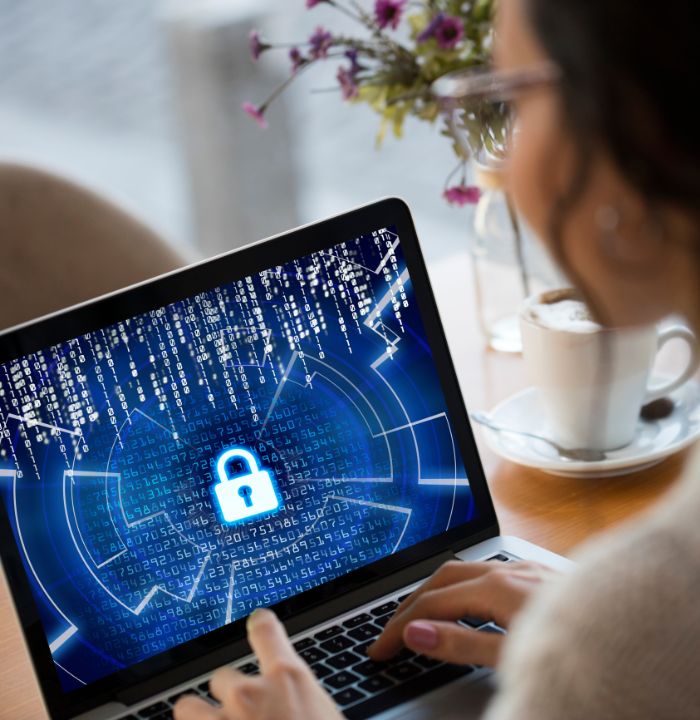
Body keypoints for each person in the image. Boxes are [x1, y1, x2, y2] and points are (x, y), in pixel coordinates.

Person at [174, 0, 700, 717]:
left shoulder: (632, 634)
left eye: (511, 98)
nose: (502, 171)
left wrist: (591, 647)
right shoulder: (629, 621)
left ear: (632, 128)